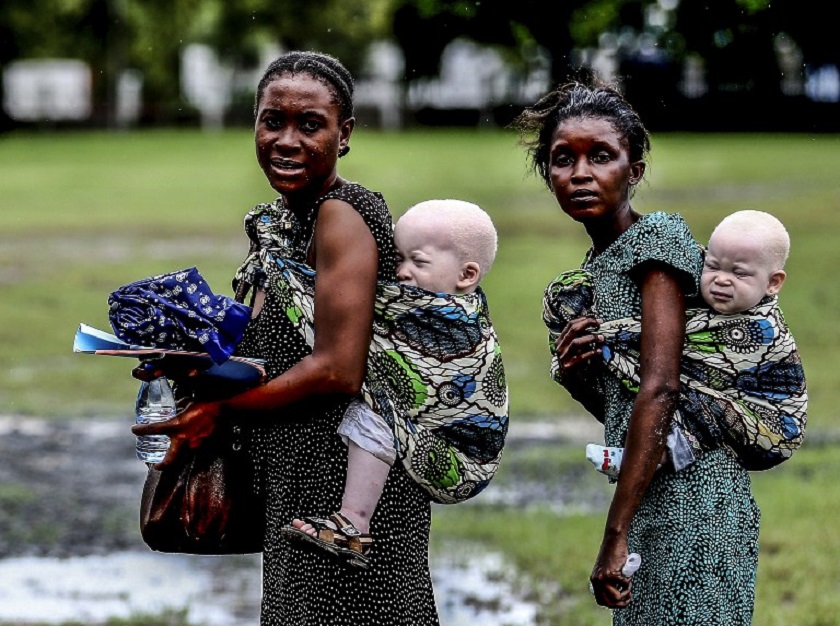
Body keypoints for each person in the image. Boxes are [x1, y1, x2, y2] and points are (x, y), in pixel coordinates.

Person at [132, 51, 440, 626]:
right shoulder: (280, 224)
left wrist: (220, 412)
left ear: (344, 134)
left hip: (346, 490)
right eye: (272, 121)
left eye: (310, 124)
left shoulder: (341, 214)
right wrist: (187, 362)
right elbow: (273, 349)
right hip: (296, 477)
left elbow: (337, 369)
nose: (286, 141)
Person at [512, 77, 760, 624]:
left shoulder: (656, 241)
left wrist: (613, 537)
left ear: (635, 170)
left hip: (696, 501)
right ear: (547, 174)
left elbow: (661, 389)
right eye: (563, 159)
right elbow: (626, 408)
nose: (580, 173)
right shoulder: (593, 274)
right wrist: (578, 377)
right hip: (649, 494)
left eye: (601, 156)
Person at [282, 198, 500, 567]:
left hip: (459, 457)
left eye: (418, 262)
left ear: (466, 276)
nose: (401, 272)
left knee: (373, 416)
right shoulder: (421, 303)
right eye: (398, 259)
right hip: (434, 445)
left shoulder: (451, 320)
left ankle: (354, 521)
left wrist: (291, 281)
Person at [547, 208, 806, 475]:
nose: (721, 280)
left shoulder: (762, 328)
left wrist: (607, 335)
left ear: (773, 283)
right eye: (712, 266)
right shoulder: (696, 295)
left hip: (769, 425)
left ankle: (650, 455)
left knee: (689, 401)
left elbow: (655, 339)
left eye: (738, 274)